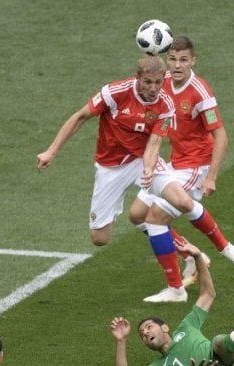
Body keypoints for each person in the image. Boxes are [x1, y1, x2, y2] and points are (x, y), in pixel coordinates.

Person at [128, 36, 234, 302]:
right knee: (137, 215)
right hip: (174, 163)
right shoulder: (162, 85)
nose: (177, 65)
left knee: (155, 219)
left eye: (183, 60)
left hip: (196, 165)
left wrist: (211, 177)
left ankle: (177, 288)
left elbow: (221, 136)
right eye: (172, 58)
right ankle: (194, 256)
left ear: (193, 61)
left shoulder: (199, 91)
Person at [36, 55, 175, 246]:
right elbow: (80, 116)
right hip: (110, 166)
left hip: (141, 160)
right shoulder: (114, 92)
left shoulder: (165, 104)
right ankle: (176, 241)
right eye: (147, 82)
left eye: (158, 82)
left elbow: (154, 144)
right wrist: (51, 151)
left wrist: (149, 168)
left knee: (179, 198)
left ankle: (209, 249)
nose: (153, 88)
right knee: (99, 238)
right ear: (137, 78)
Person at [110, 239, 234, 366]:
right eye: (142, 335)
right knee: (218, 343)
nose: (145, 333)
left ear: (165, 327)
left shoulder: (186, 327)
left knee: (218, 343)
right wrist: (121, 340)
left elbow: (208, 295)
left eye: (149, 327)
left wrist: (198, 258)